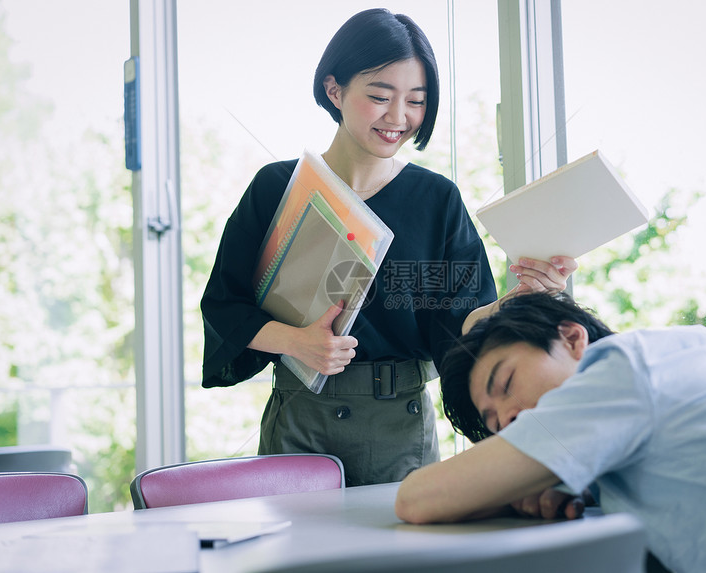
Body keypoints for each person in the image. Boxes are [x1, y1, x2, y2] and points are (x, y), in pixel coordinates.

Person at [200, 8, 576, 486]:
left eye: (416, 101)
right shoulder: (277, 187)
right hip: (298, 419)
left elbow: (461, 320)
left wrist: (520, 302)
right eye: (380, 96)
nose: (399, 118)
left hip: (399, 426)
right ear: (334, 90)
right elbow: (223, 305)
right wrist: (296, 342)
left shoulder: (437, 198)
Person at [395, 292, 706, 573]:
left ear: (571, 338)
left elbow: (416, 499)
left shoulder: (620, 370)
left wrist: (506, 485)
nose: (509, 419)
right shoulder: (692, 349)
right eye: (495, 424)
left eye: (506, 383)